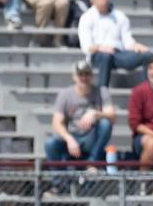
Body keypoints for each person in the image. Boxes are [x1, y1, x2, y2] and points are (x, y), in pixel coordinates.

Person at [44, 59, 116, 195]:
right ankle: (59, 184)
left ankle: (92, 163)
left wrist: (95, 112)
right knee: (50, 143)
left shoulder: (101, 91)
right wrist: (69, 139)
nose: (84, 78)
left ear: (91, 75)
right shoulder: (65, 94)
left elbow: (112, 115)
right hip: (72, 137)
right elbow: (56, 122)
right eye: (80, 74)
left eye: (87, 74)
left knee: (105, 123)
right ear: (74, 76)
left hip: (91, 137)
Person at [77, 0, 151, 87]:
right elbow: (86, 47)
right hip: (98, 56)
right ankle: (102, 97)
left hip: (118, 54)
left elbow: (127, 41)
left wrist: (136, 46)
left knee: (148, 56)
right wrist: (101, 47)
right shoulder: (86, 18)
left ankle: (147, 94)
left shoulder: (120, 16)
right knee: (106, 56)